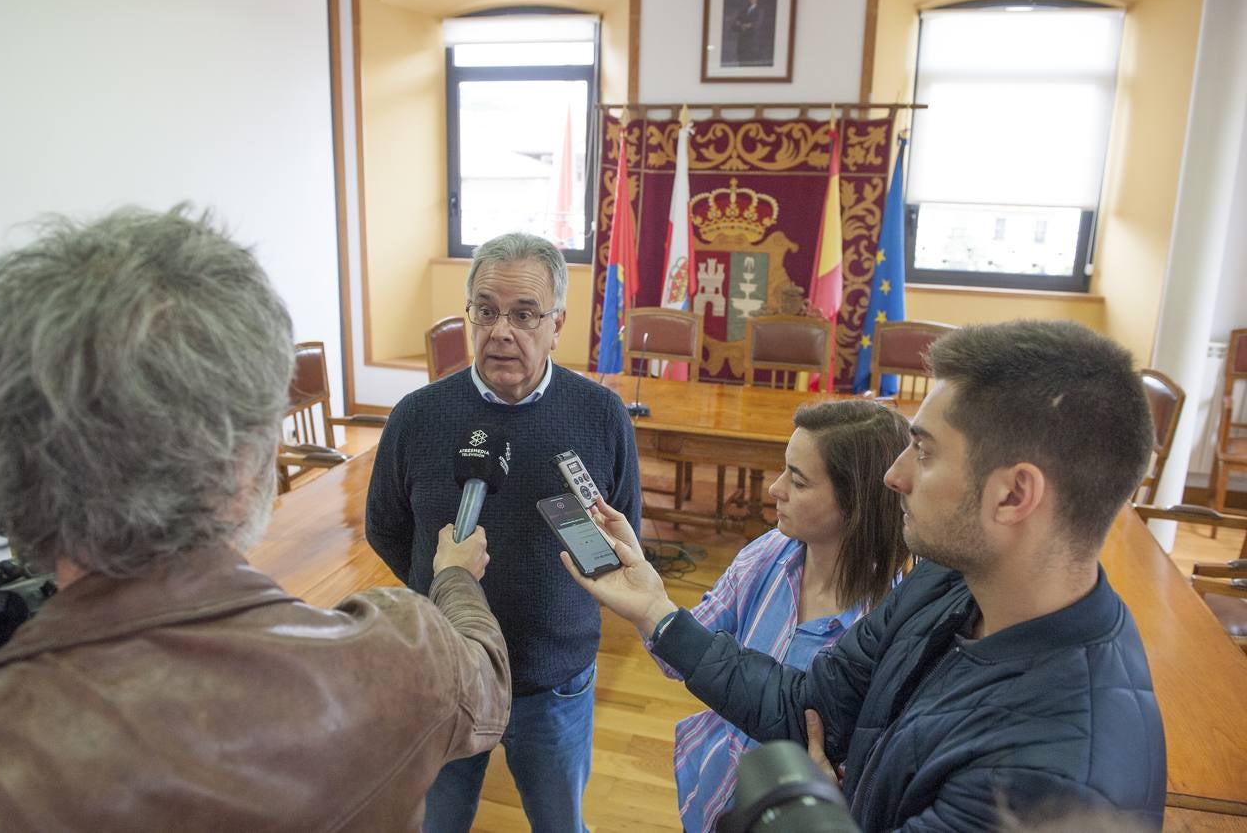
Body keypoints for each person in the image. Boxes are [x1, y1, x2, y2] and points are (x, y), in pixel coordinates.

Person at [0, 206, 511, 830]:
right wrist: (455, 574)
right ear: (248, 462)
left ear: (2, 472)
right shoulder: (403, 658)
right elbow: (485, 677)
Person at [567, 320, 1166, 830]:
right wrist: (654, 609)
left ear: (1013, 495)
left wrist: (826, 814)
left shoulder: (1050, 776)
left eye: (925, 452)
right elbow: (805, 705)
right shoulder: (947, 584)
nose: (895, 476)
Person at [366, 232, 641, 833]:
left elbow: (623, 534)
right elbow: (386, 527)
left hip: (555, 677)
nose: (501, 331)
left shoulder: (600, 414)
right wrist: (443, 588)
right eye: (486, 311)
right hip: (445, 675)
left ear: (557, 322)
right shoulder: (417, 416)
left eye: (524, 314)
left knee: (559, 822)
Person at [637, 400, 910, 832]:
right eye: (785, 470)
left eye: (798, 482)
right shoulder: (767, 552)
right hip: (713, 786)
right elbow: (677, 657)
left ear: (855, 503)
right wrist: (643, 598)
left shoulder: (893, 623)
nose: (774, 489)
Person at [731, 0, 767, 66]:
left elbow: (757, 25)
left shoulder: (760, 11)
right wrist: (746, 25)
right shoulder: (742, 11)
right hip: (742, 46)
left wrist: (742, 25)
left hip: (754, 46)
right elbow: (733, 26)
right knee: (742, 68)